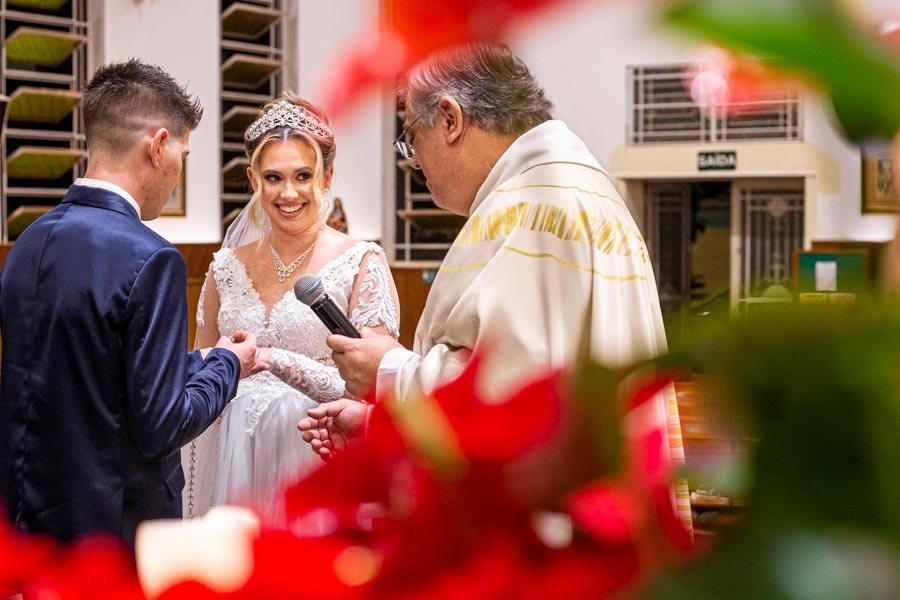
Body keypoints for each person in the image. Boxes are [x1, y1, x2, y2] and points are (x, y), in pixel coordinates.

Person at [298, 43, 691, 531]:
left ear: (449, 118)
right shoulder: (581, 188)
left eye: (410, 137)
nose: (414, 162)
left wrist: (389, 372)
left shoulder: (531, 207)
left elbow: (513, 400)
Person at [0, 59, 264, 548]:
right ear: (159, 145)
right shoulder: (151, 259)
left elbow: (86, 378)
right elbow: (162, 426)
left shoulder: (27, 244)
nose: (178, 171)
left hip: (28, 528)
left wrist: (193, 363)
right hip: (114, 533)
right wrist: (227, 363)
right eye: (182, 152)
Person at [183, 92, 400, 525]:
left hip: (316, 451)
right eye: (273, 177)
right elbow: (200, 370)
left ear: (327, 176)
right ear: (253, 179)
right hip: (230, 459)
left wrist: (274, 360)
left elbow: (378, 388)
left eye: (303, 175)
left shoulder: (361, 262)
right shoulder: (225, 267)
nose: (289, 193)